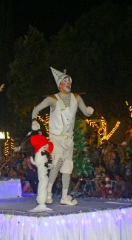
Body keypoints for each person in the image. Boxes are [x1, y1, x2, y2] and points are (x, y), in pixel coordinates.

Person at [31, 67, 94, 205]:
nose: (68, 83)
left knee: (67, 166)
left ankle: (64, 196)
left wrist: (89, 111)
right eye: (65, 80)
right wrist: (34, 121)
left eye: (69, 80)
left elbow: (85, 111)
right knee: (58, 162)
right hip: (56, 137)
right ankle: (48, 192)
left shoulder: (76, 98)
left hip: (68, 138)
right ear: (59, 84)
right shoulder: (53, 99)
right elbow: (36, 110)